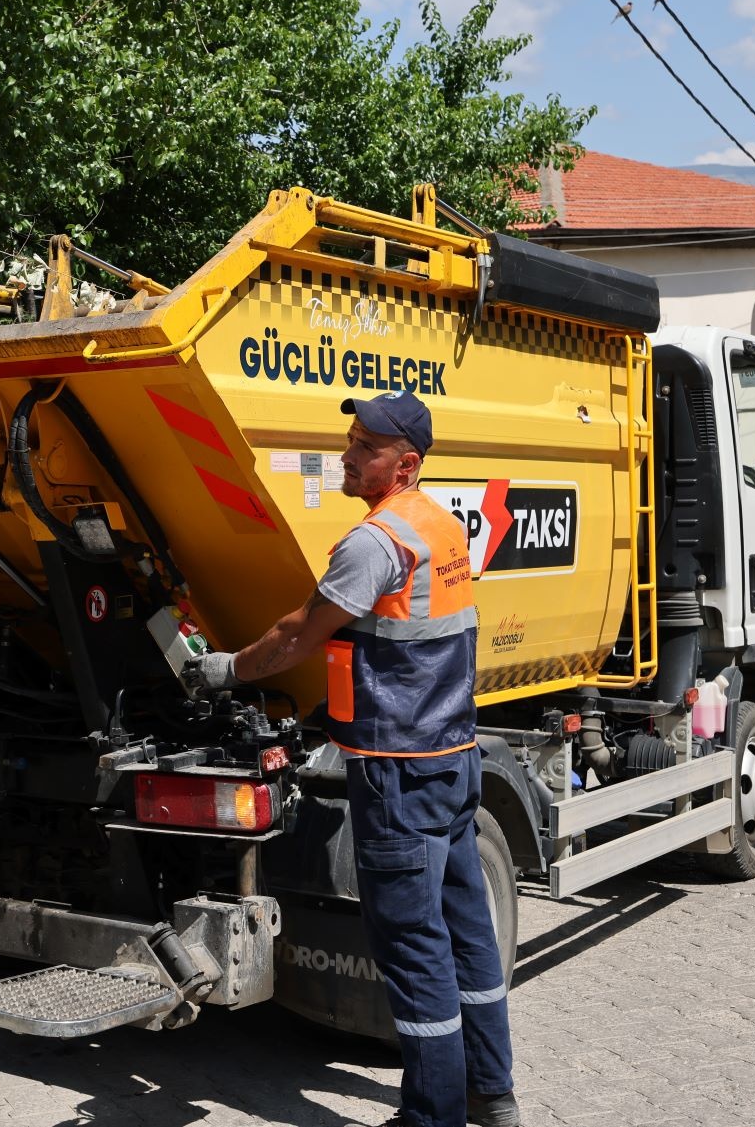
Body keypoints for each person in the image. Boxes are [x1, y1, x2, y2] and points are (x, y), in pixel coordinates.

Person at [182, 390, 519, 1127]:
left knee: (413, 948)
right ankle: (491, 1095)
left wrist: (226, 669)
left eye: (366, 446)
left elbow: (298, 634)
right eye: (352, 439)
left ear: (406, 464)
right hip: (452, 758)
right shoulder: (439, 526)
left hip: (399, 771)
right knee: (467, 935)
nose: (347, 455)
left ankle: (433, 1117)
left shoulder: (375, 543)